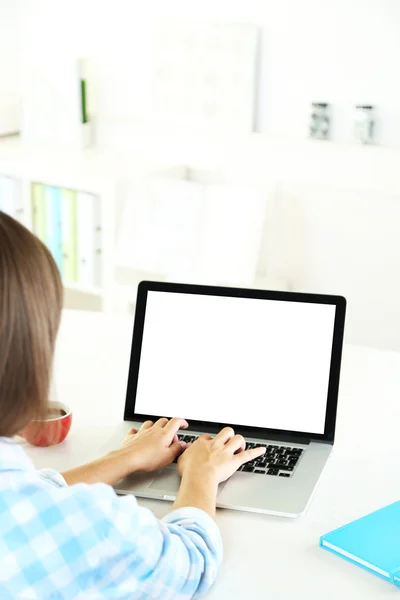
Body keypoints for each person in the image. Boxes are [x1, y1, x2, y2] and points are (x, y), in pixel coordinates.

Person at [0, 211, 265, 600]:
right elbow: (190, 562)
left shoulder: (27, 509)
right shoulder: (87, 529)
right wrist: (201, 475)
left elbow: (26, 499)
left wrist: (123, 460)